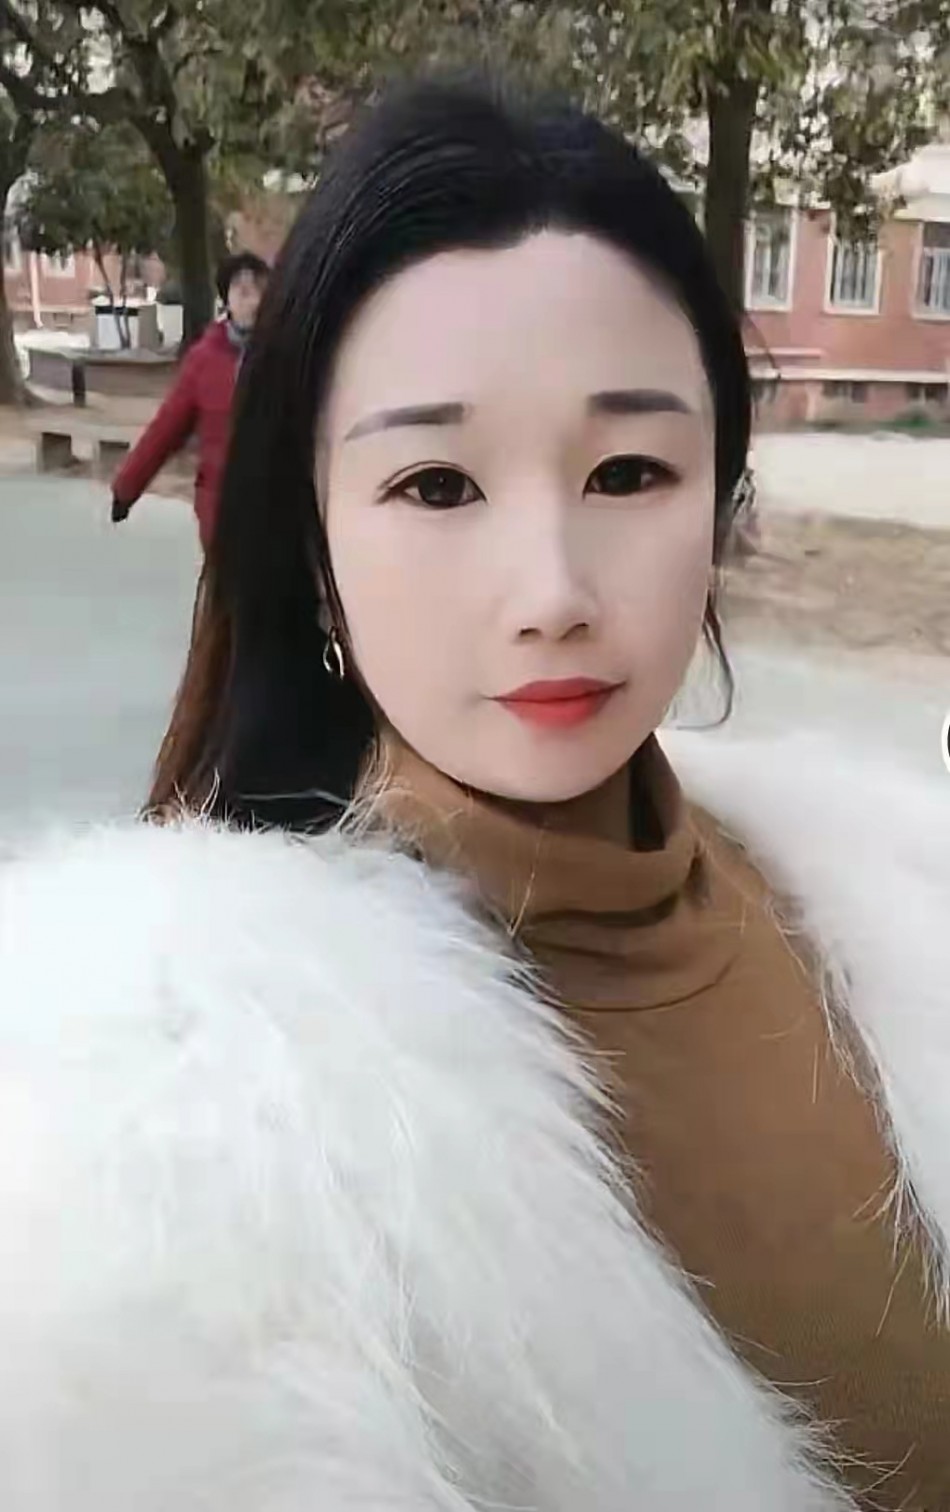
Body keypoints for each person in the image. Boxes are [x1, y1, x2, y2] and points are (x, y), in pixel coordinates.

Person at [2, 78, 949, 1512]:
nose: (552, 593)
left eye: (627, 472)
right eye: (438, 487)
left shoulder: (884, 902)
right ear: (314, 548)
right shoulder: (163, 1146)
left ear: (721, 503)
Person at [109, 251, 270, 551]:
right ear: (227, 299)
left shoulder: (285, 355)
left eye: (259, 291)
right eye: (242, 291)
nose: (252, 301)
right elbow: (165, 429)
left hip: (276, 511)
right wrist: (126, 488)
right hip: (221, 513)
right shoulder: (204, 359)